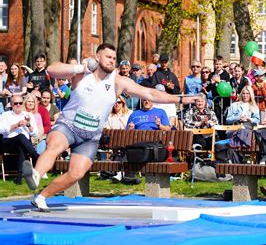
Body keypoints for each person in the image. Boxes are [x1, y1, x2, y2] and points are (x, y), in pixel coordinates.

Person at [22, 43, 198, 211]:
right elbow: (52, 69)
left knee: (76, 173)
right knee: (55, 146)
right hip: (69, 125)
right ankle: (36, 174)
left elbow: (149, 93)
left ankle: (41, 197)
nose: (112, 60)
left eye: (114, 58)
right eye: (108, 57)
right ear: (97, 57)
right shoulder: (82, 74)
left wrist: (180, 99)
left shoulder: (118, 81)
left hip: (90, 136)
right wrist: (79, 68)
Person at [0, 95, 39, 185]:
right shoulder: (5, 115)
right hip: (8, 142)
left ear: (23, 104)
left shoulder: (28, 115)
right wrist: (16, 125)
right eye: (15, 103)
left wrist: (28, 125)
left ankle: (19, 178)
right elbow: (1, 130)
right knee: (21, 137)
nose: (18, 105)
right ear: (11, 104)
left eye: (20, 103)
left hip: (23, 144)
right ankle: (35, 155)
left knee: (22, 145)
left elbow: (35, 133)